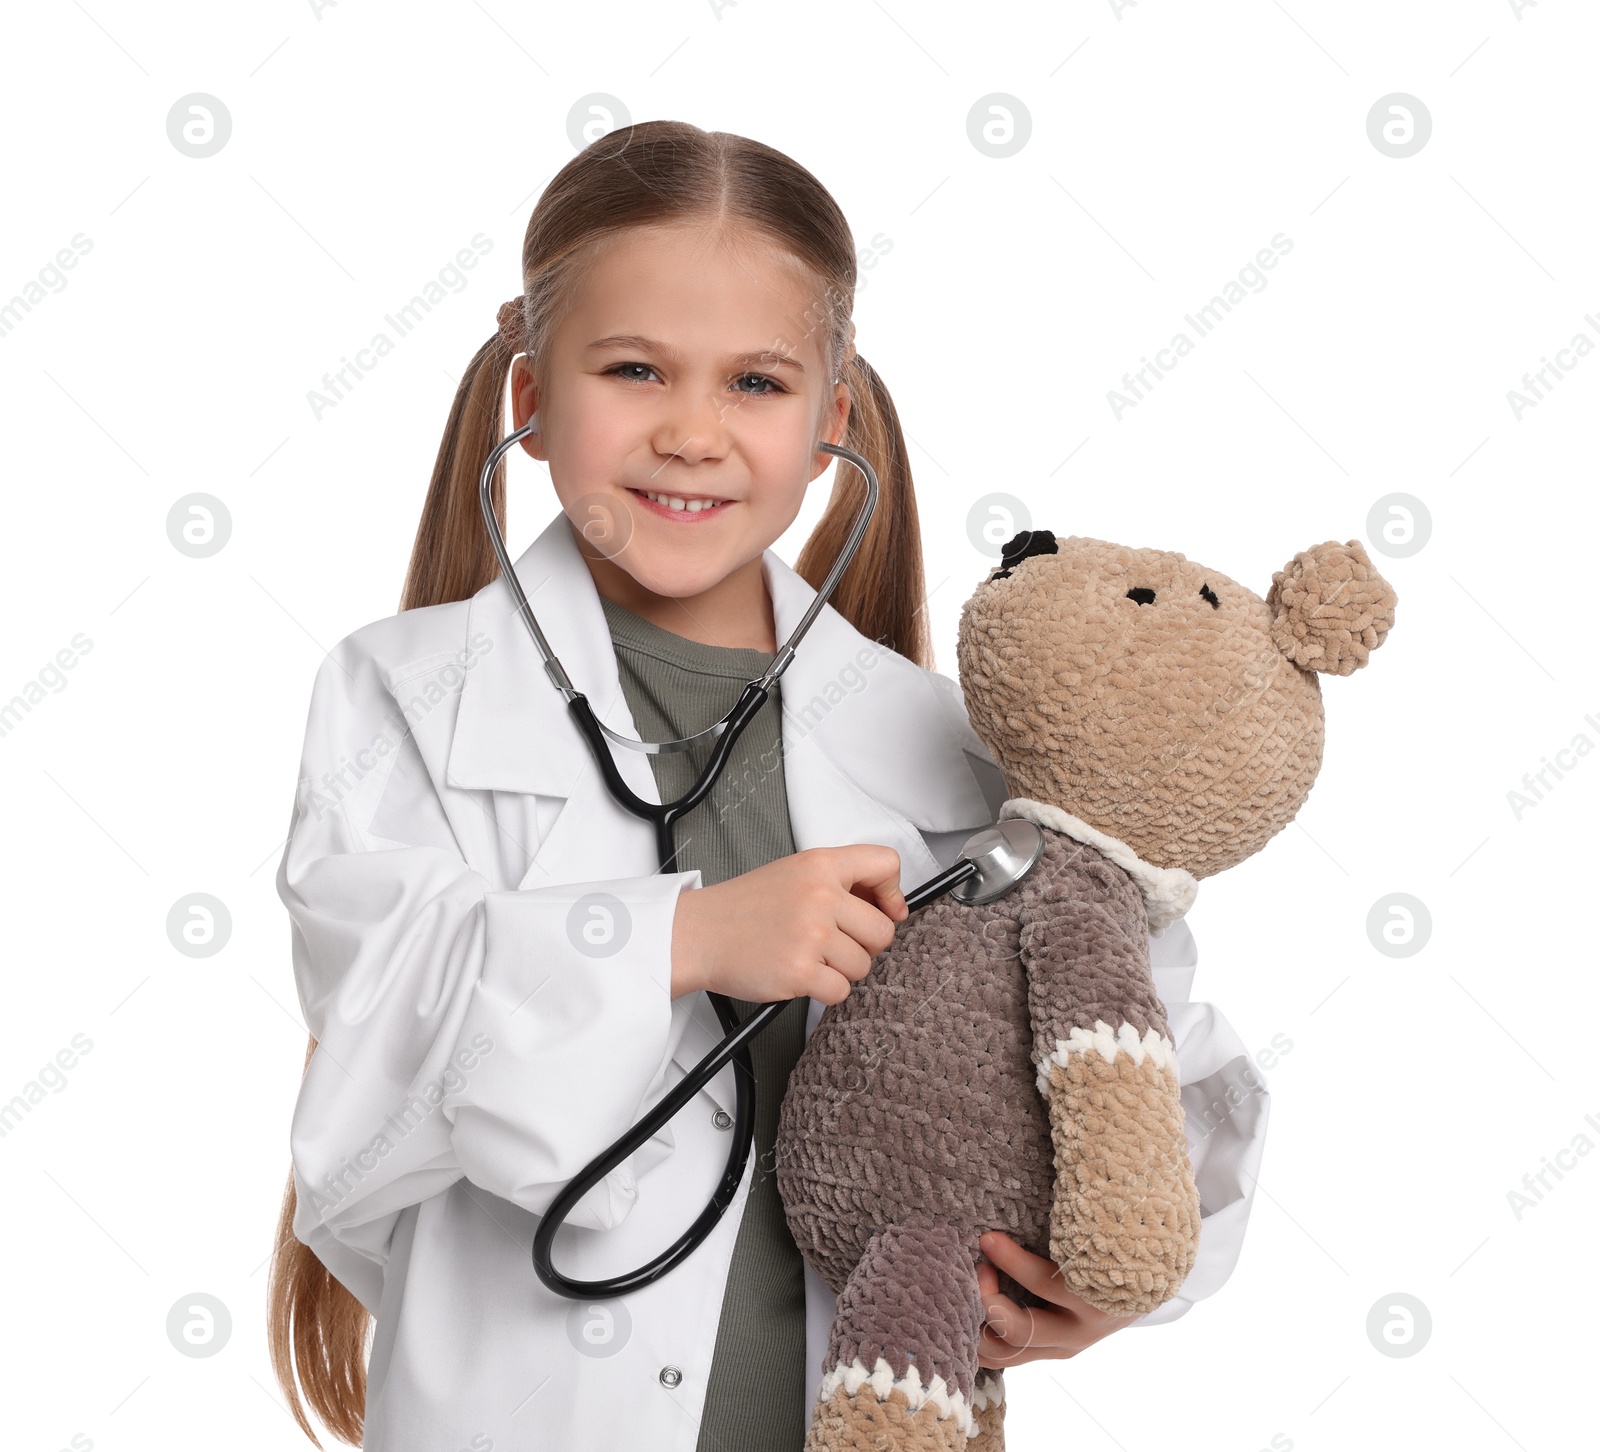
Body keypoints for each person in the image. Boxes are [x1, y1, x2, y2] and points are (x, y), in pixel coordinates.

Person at [266, 119, 1269, 1452]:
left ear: (828, 422)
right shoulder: (407, 695)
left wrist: (1106, 1282)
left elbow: (1160, 1062)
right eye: (633, 369)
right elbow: (369, 1091)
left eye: (754, 382)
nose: (691, 433)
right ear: (529, 399)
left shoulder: (943, 745)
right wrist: (683, 938)